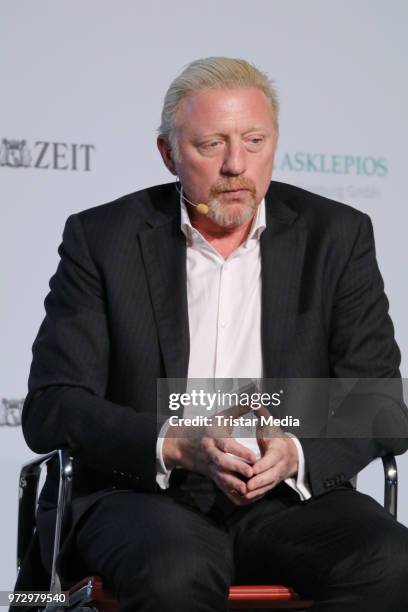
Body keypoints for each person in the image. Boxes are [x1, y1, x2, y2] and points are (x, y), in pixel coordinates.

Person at [20, 57, 408, 611]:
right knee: (176, 570)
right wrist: (174, 442)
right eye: (211, 145)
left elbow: (378, 403)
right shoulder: (102, 239)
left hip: (288, 499)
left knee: (392, 563)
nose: (236, 165)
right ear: (168, 153)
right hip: (144, 497)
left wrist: (296, 451)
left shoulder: (337, 237)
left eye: (255, 141)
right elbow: (53, 406)